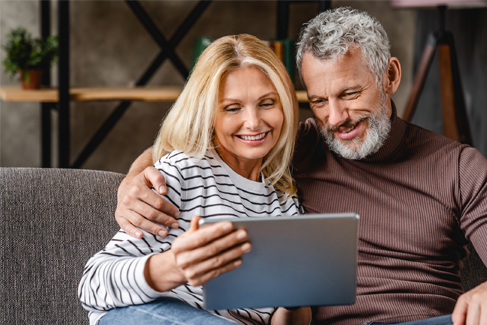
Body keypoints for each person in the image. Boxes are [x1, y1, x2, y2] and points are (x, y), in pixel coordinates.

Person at [113, 7, 487, 325]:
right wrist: (133, 180)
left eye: (350, 94)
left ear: (389, 76)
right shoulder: (299, 144)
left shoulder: (458, 166)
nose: (337, 118)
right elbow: (199, 142)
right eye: (319, 100)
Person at [78, 34, 312, 325]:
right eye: (232, 108)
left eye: (266, 103)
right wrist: (173, 267)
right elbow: (92, 284)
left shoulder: (285, 201)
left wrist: (295, 300)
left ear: (285, 106)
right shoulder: (183, 171)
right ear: (208, 114)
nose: (253, 122)